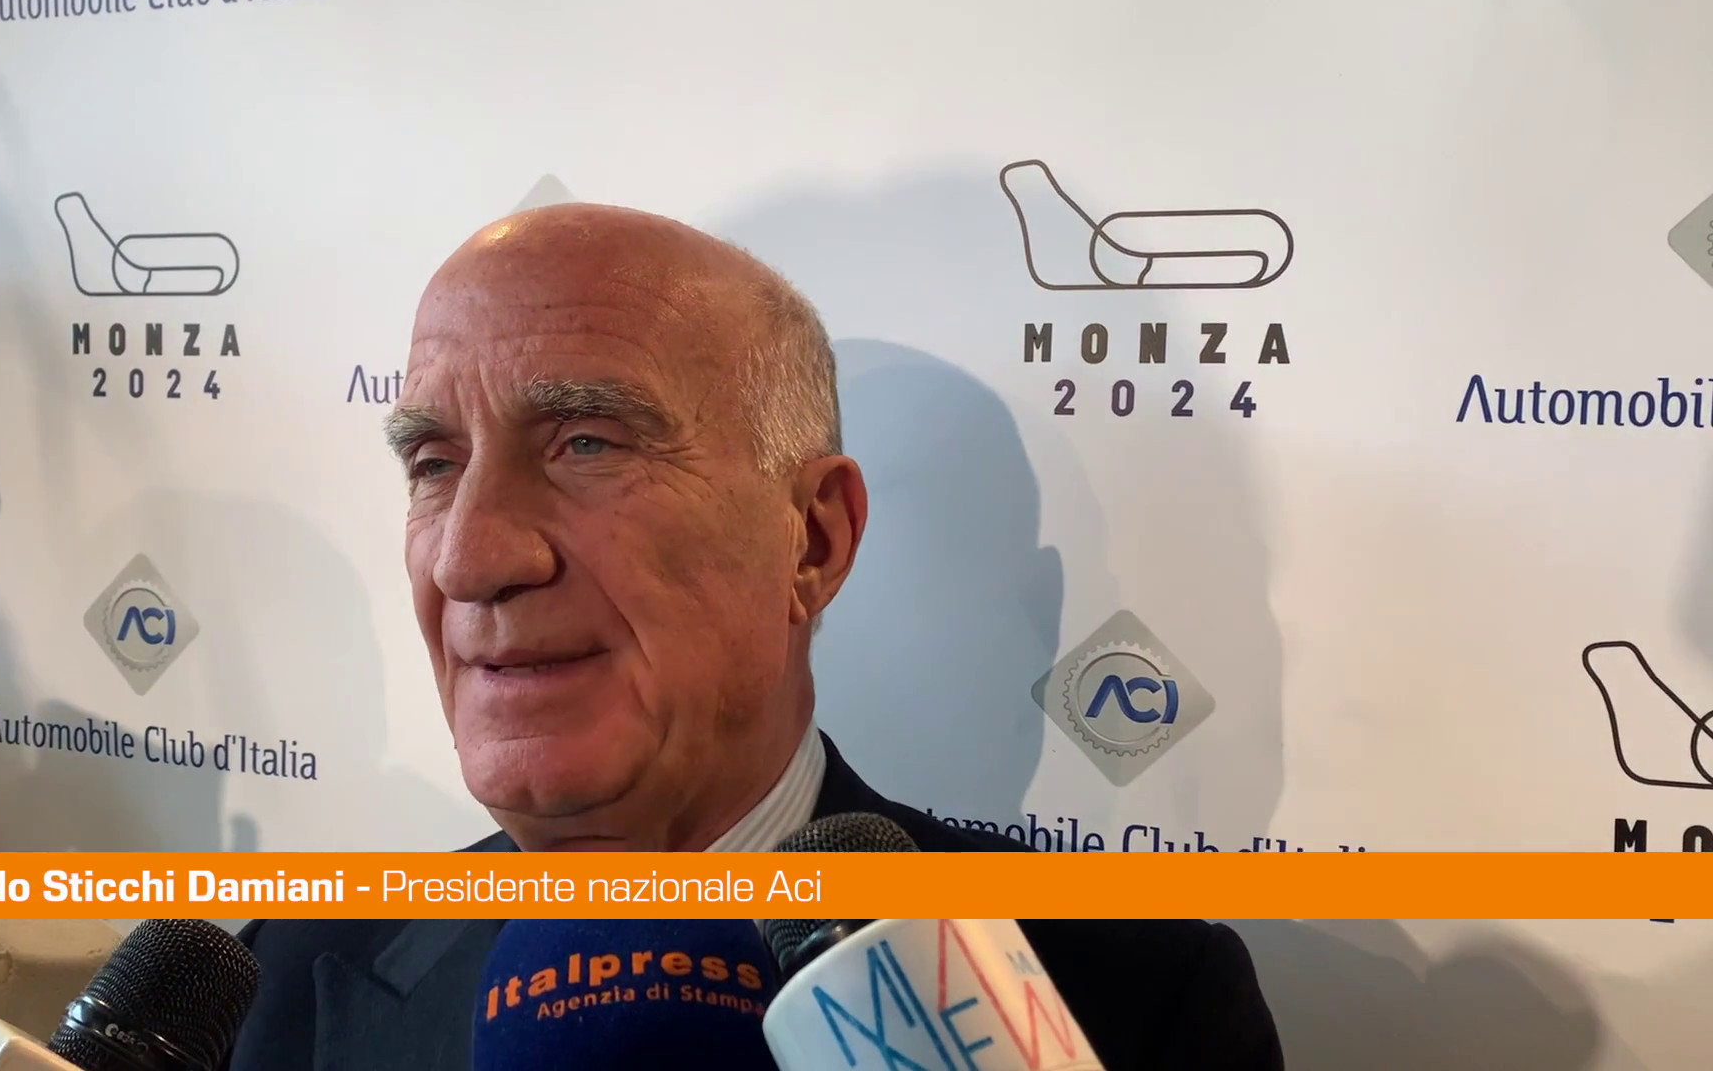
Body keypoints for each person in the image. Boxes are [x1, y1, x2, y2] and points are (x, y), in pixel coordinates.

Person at [228, 204, 1284, 1071]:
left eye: (587, 443)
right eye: (433, 464)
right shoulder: (281, 976)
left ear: (813, 540)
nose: (469, 558)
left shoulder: (1139, 999)